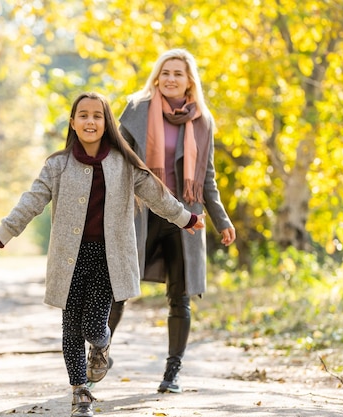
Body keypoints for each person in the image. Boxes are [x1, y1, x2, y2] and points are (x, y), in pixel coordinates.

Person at [0, 92, 205, 417]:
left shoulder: (124, 164)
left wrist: (187, 219)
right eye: (83, 115)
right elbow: (30, 202)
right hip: (68, 259)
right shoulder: (57, 165)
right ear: (73, 122)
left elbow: (158, 195)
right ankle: (79, 392)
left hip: (109, 259)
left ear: (106, 123)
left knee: (94, 325)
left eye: (97, 116)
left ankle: (101, 346)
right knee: (70, 327)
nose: (90, 121)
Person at [108, 49, 237, 394]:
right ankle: (99, 352)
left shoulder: (202, 122)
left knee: (179, 297)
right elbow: (116, 162)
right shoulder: (136, 109)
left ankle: (172, 372)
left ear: (189, 80)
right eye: (165, 72)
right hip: (141, 211)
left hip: (185, 218)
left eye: (178, 73)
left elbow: (206, 176)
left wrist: (220, 219)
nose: (170, 78)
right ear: (157, 76)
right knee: (120, 286)